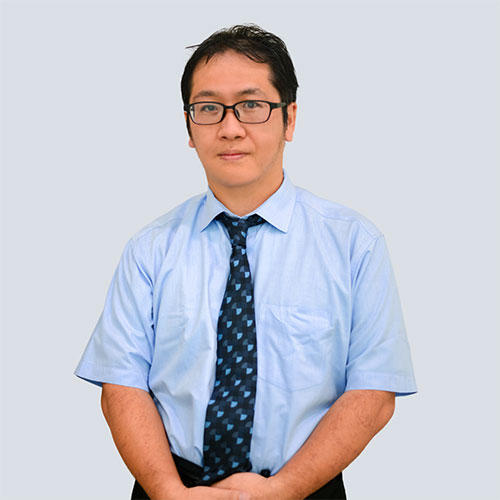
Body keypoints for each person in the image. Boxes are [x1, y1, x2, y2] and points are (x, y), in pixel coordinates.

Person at [75, 24, 417, 500]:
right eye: (208, 108)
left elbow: (375, 392)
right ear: (189, 127)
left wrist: (283, 490)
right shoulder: (149, 249)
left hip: (305, 486)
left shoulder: (354, 244)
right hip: (170, 487)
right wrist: (170, 493)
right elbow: (121, 385)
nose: (230, 127)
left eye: (252, 105)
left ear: (289, 119)